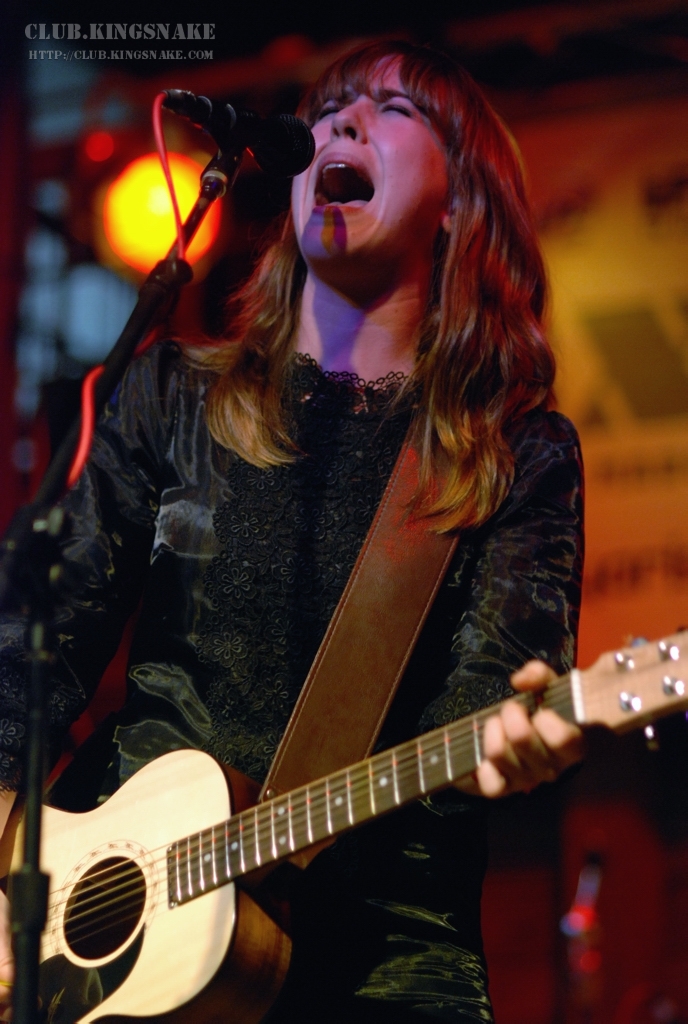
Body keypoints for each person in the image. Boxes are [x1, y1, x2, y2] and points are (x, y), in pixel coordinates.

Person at [0, 39, 583, 1022]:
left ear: (459, 203)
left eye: (395, 109)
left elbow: (496, 696)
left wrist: (519, 741)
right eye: (334, 105)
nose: (343, 119)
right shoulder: (170, 396)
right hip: (106, 932)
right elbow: (33, 641)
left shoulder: (514, 451)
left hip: (382, 955)